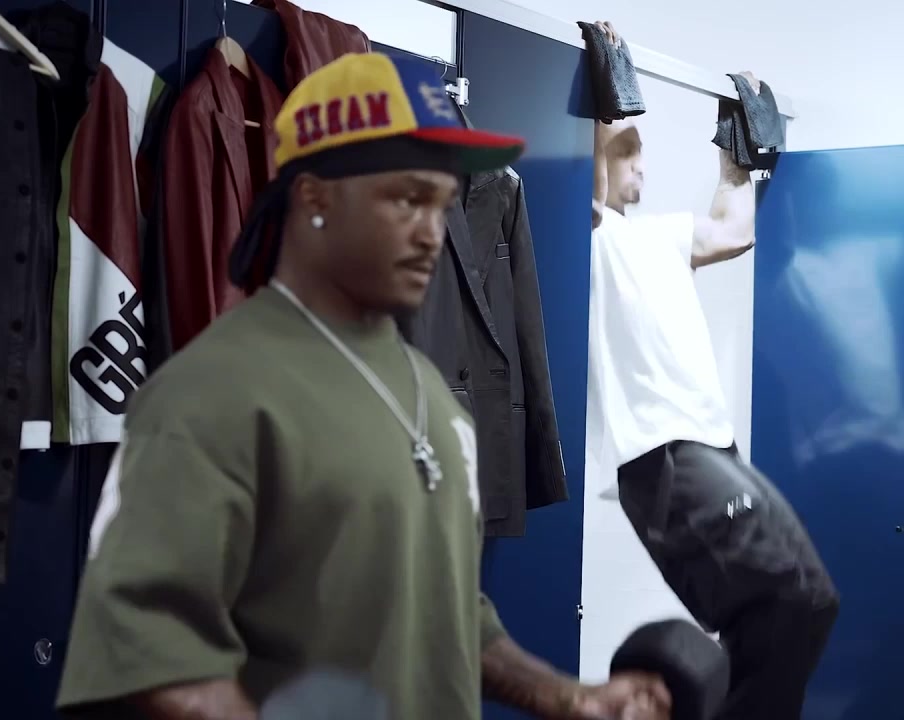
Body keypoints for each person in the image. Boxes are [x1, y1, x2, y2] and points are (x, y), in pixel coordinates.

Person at [55, 52, 670, 720]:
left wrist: (565, 696)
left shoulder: (431, 396)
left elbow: (447, 610)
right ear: (314, 197)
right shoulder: (211, 395)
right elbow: (147, 660)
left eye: (441, 203)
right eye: (407, 199)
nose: (432, 232)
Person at [585, 21, 840, 720]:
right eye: (628, 148)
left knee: (812, 600)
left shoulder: (657, 238)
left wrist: (738, 150)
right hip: (663, 457)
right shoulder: (593, 238)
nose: (641, 162)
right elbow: (588, 173)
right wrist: (606, 88)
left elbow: (735, 229)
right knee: (783, 604)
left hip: (710, 445)